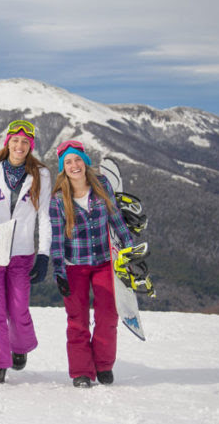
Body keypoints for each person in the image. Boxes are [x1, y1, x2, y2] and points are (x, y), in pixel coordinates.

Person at [0, 119, 52, 383]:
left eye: (25, 142)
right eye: (15, 140)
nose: (19, 145)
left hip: (22, 253)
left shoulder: (41, 175)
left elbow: (45, 217)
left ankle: (21, 346)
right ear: (7, 143)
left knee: (18, 309)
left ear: (31, 146)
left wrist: (44, 254)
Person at [48, 140, 134, 388]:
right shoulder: (58, 199)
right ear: (63, 168)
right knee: (78, 320)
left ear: (85, 162)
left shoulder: (102, 185)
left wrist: (128, 253)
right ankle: (81, 372)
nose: (74, 165)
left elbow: (117, 219)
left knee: (108, 316)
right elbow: (57, 239)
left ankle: (104, 364)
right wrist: (59, 273)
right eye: (68, 162)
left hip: (105, 262)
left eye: (77, 160)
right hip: (74, 264)